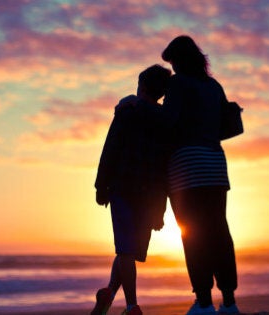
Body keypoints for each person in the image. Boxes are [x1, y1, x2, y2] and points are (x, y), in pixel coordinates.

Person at [161, 35, 240, 315]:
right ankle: (229, 302)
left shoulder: (179, 83)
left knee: (193, 235)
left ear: (178, 60)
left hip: (186, 167)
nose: (171, 69)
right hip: (215, 166)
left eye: (172, 62)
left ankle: (204, 302)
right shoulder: (214, 85)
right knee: (219, 231)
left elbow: (167, 122)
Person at [92, 64, 172, 315]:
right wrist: (160, 209)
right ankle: (107, 295)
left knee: (126, 250)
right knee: (129, 249)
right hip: (150, 195)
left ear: (144, 87)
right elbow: (164, 168)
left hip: (123, 188)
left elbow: (111, 148)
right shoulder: (165, 120)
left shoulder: (128, 111)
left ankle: (131, 307)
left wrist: (100, 185)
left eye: (139, 85)